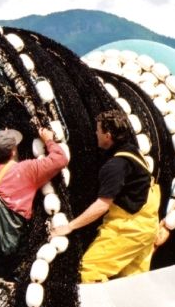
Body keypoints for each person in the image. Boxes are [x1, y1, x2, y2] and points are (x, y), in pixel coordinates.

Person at [50, 109, 160, 282]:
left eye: (98, 130)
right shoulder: (133, 152)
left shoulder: (115, 166)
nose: (95, 133)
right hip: (148, 227)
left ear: (107, 136)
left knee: (88, 273)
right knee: (132, 281)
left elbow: (102, 205)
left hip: (128, 230)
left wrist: (70, 226)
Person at [0, 126, 68, 279]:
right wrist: (48, 140)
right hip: (16, 256)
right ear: (13, 152)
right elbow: (60, 159)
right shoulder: (26, 170)